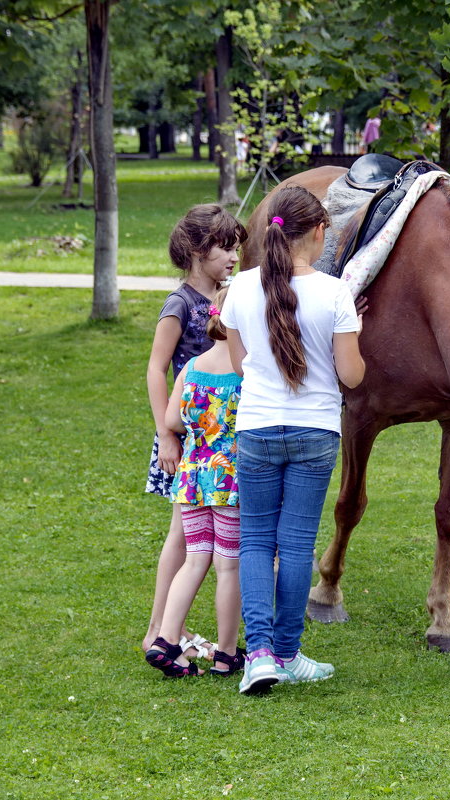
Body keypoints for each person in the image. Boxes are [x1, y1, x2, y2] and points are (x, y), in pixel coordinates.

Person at [220, 186, 365, 694]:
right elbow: (351, 376)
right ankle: (286, 650)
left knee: (256, 541)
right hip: (315, 433)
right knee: (297, 544)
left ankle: (258, 655)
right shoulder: (335, 293)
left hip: (257, 429)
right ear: (320, 232)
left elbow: (242, 366)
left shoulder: (239, 287)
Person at [142, 205, 247, 661]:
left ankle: (172, 629)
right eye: (225, 246)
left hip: (215, 434)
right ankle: (159, 631)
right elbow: (155, 366)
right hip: (188, 438)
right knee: (183, 539)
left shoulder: (231, 296)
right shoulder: (180, 303)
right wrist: (166, 435)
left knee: (194, 542)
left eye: (236, 245)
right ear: (197, 250)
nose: (234, 255)